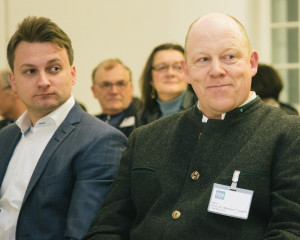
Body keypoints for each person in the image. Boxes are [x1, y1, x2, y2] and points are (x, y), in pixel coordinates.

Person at [83, 13, 300, 240]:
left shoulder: (288, 135)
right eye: (203, 60)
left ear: (252, 63)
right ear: (186, 71)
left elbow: (290, 231)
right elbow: (106, 229)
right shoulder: (144, 138)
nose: (216, 70)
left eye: (229, 56)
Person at [0, 16, 127, 240]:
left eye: (54, 68)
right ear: (13, 81)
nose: (43, 81)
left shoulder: (100, 141)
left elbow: (83, 235)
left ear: (73, 73)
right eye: (30, 71)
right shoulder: (5, 138)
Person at [136, 43, 197, 127]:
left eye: (178, 67)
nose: (170, 73)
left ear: (188, 73)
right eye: (162, 67)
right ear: (150, 78)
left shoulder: (202, 109)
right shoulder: (143, 116)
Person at [91, 58, 141, 137]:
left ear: (131, 88)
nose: (114, 91)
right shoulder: (88, 126)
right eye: (106, 85)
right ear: (94, 91)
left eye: (121, 84)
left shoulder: (147, 120)